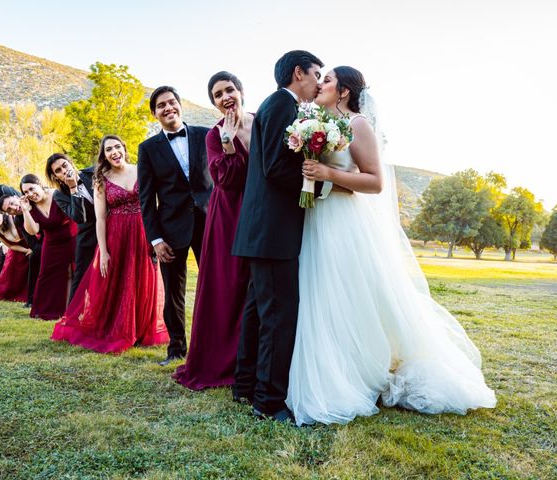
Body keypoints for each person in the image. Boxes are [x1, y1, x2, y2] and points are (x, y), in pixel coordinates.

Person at [286, 66, 497, 426]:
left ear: (345, 92)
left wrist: (329, 175)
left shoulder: (358, 125)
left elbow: (374, 182)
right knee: (319, 295)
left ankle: (362, 370)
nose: (319, 83)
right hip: (315, 219)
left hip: (343, 223)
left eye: (328, 80)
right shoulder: (313, 121)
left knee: (347, 295)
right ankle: (334, 367)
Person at [231, 50, 324, 422]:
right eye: (316, 73)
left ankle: (244, 385)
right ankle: (268, 403)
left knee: (258, 312)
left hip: (262, 230)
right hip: (272, 231)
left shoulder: (275, 106)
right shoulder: (283, 107)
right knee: (278, 317)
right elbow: (274, 168)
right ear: (298, 73)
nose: (319, 81)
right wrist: (314, 186)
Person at [51, 135, 169, 353]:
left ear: (124, 148)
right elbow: (101, 217)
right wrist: (103, 251)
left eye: (117, 147)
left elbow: (154, 202)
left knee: (143, 276)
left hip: (142, 231)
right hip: (116, 234)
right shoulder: (100, 178)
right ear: (103, 155)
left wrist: (157, 236)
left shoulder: (141, 169)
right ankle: (117, 327)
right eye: (108, 150)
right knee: (118, 280)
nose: (114, 152)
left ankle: (142, 329)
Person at [173, 72, 251, 390]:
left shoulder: (262, 121)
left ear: (241, 90)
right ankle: (224, 359)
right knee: (229, 283)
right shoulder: (213, 135)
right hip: (229, 214)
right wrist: (228, 143)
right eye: (218, 95)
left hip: (263, 208)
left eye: (229, 89)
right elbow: (226, 180)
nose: (225, 97)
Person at [138, 86, 213, 366]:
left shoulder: (206, 135)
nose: (168, 108)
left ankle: (214, 344)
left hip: (209, 222)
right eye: (161, 105)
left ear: (180, 105)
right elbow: (146, 199)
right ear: (155, 113)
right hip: (171, 230)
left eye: (172, 102)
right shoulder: (147, 149)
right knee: (173, 292)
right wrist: (155, 239)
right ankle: (177, 349)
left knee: (216, 285)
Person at [20, 174, 76, 320]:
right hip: (51, 243)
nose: (30, 194)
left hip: (72, 238)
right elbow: (33, 230)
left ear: (40, 184)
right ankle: (46, 310)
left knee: (72, 272)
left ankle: (69, 308)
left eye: (32, 188)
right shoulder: (31, 206)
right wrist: (25, 210)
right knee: (45, 275)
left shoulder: (57, 194)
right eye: (26, 192)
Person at [46, 153, 97, 300]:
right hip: (88, 234)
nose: (63, 171)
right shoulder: (59, 195)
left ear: (71, 163)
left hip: (112, 227)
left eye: (64, 165)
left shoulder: (92, 173)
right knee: (81, 275)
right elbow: (79, 218)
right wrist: (73, 188)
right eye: (58, 171)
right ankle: (72, 316)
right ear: (55, 177)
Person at [0, 194, 42, 309]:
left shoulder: (36, 202)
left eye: (12, 203)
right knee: (34, 256)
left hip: (57, 236)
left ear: (16, 197)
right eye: (9, 209)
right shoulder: (18, 219)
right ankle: (32, 298)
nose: (13, 208)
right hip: (42, 243)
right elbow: (32, 242)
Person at [0, 205, 31, 302]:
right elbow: (11, 245)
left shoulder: (12, 219)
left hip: (30, 243)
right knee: (11, 277)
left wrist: (9, 219)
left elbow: (16, 236)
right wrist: (26, 251)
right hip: (18, 249)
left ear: (1, 213)